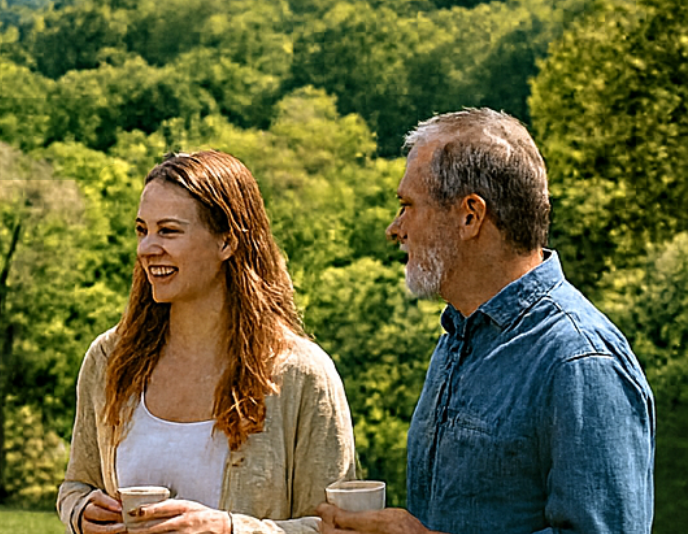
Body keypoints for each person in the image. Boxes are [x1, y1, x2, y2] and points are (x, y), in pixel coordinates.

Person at [318, 108, 655, 534]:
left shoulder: (581, 362)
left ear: (470, 216)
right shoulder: (460, 336)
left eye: (407, 206)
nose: (394, 228)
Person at [59, 150, 359, 534]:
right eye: (142, 230)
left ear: (227, 242)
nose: (147, 248)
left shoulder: (301, 373)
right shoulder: (109, 358)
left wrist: (230, 530)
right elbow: (76, 485)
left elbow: (340, 527)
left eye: (168, 231)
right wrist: (81, 512)